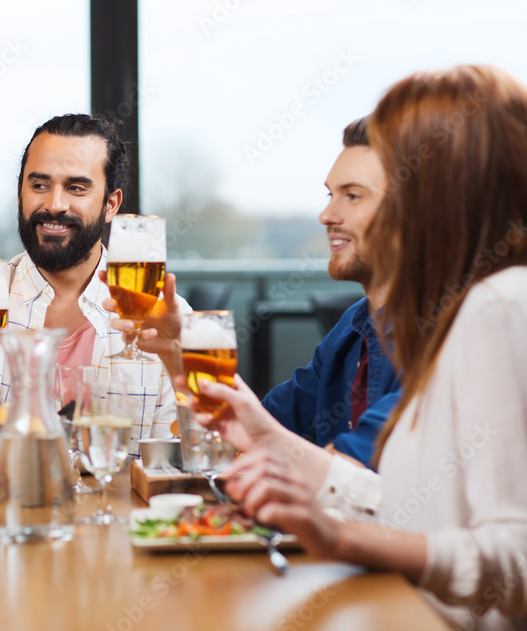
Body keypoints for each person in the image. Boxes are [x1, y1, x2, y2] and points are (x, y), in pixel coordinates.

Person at [204, 65, 527, 630]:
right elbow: (413, 508)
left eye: (364, 193)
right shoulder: (452, 317)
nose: (332, 213)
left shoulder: (497, 308)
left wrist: (344, 537)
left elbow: (516, 558)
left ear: (448, 191)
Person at [109, 116, 399, 468]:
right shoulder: (350, 332)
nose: (326, 214)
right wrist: (179, 354)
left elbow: (351, 477)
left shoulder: (445, 342)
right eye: (330, 194)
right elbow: (245, 440)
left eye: (352, 196)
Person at [0, 113, 189, 458]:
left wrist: (182, 365)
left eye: (76, 188)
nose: (55, 205)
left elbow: (192, 461)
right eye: (39, 185)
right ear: (19, 194)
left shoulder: (163, 318)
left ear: (110, 205)